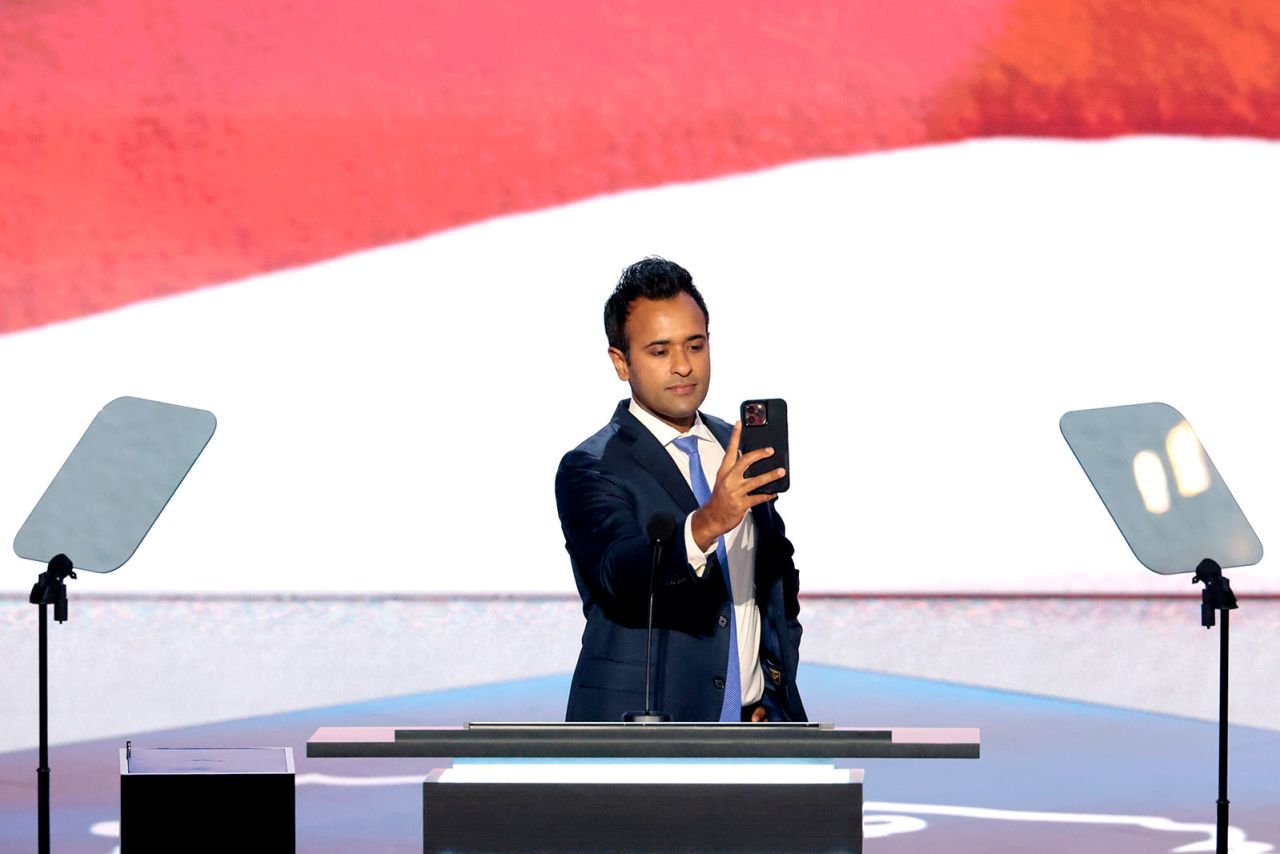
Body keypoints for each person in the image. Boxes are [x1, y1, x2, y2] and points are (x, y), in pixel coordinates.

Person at [555, 257, 806, 723]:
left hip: (756, 728)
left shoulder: (737, 447)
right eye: (659, 351)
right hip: (642, 732)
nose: (683, 366)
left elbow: (776, 580)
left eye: (696, 345)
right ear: (620, 362)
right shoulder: (590, 466)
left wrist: (767, 686)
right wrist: (710, 520)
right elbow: (622, 579)